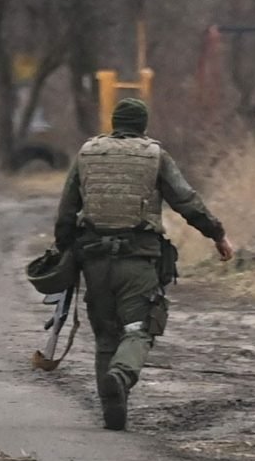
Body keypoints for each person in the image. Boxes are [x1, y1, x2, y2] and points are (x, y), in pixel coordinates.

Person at [52, 96, 234, 431]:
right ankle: (121, 376)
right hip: (137, 260)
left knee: (106, 336)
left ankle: (113, 413)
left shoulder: (87, 154)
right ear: (143, 125)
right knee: (139, 329)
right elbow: (186, 201)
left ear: (114, 122)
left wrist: (63, 249)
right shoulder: (155, 156)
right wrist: (217, 234)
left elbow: (66, 212)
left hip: (94, 260)